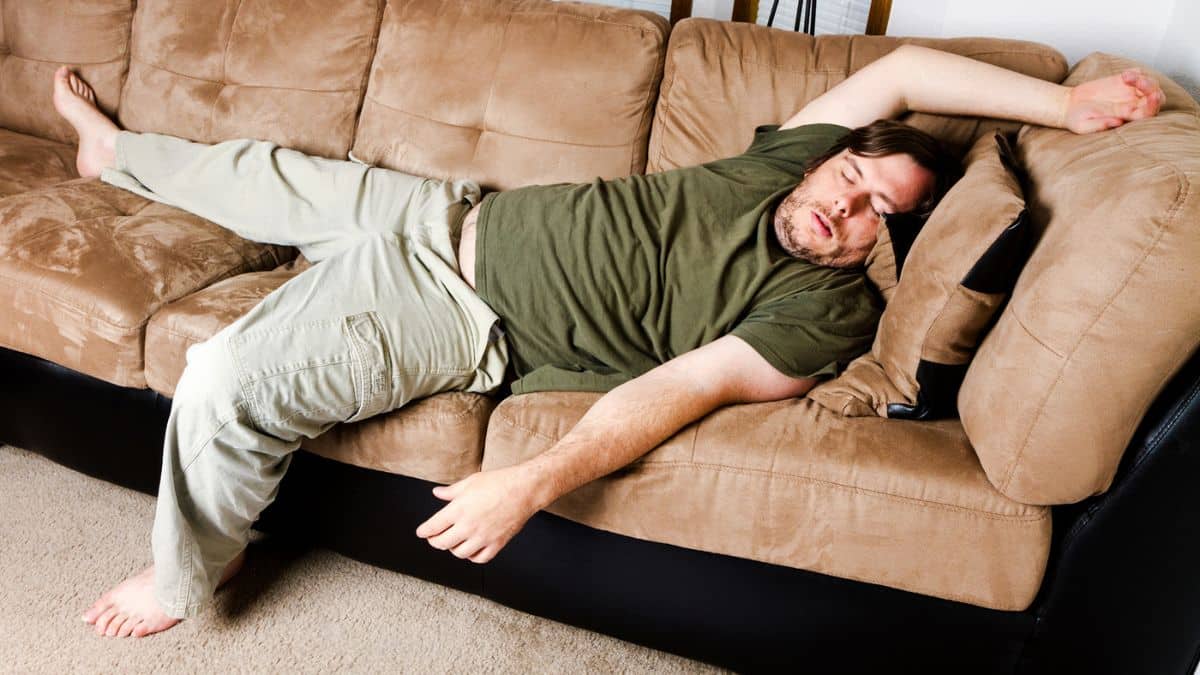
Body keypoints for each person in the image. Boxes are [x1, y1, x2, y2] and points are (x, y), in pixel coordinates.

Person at [51, 43, 1163, 638]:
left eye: (878, 210)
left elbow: (677, 392)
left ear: (887, 243)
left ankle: (189, 572)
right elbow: (911, 68)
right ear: (824, 155)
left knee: (228, 378)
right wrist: (1060, 108)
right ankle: (118, 155)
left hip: (451, 306)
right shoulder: (782, 167)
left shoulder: (825, 313)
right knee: (258, 173)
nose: (846, 206)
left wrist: (528, 482)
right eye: (851, 175)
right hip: (447, 210)